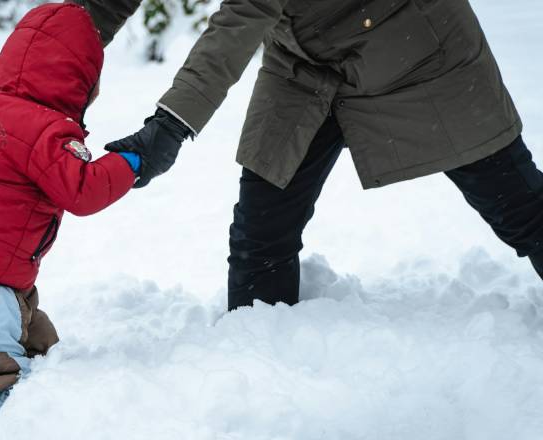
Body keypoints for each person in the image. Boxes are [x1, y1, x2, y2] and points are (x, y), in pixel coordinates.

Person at [75, 0, 543, 310]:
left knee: (520, 208)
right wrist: (68, 36)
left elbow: (241, 18)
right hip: (303, 61)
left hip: (414, 45)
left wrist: (171, 125)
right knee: (261, 232)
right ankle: (259, 374)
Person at [0, 3, 186, 421]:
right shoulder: (44, 130)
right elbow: (82, 190)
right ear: (77, 81)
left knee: (36, 340)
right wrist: (132, 161)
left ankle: (42, 391)